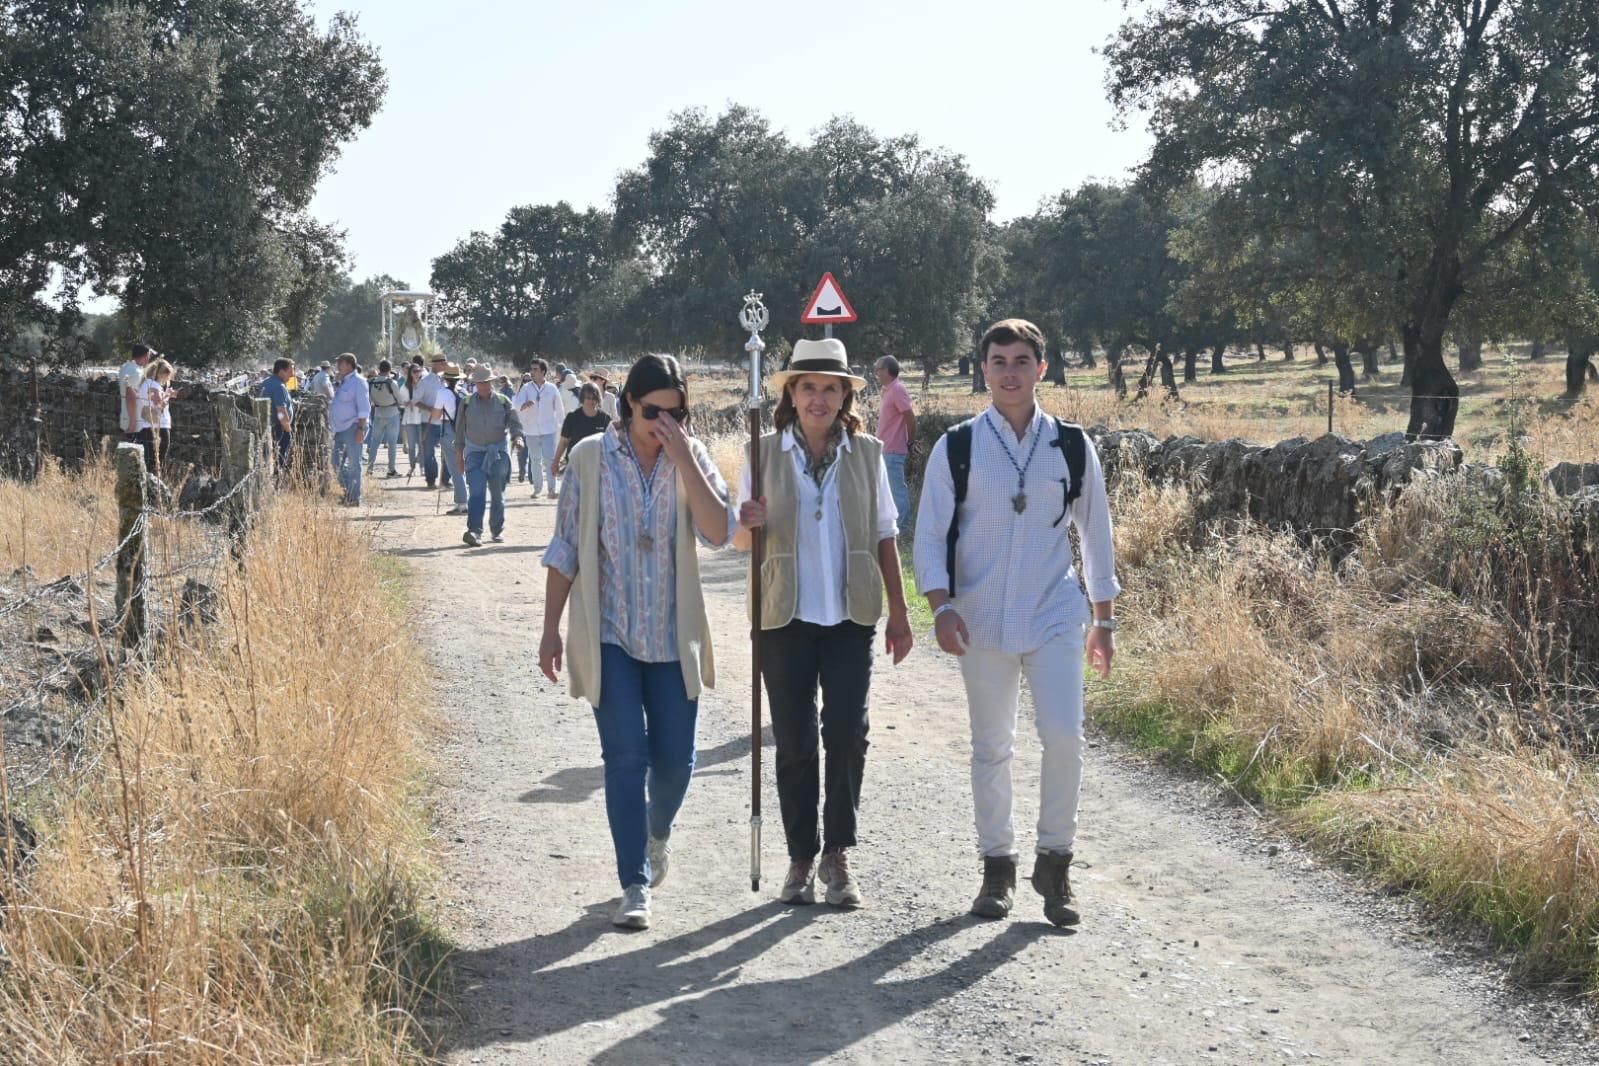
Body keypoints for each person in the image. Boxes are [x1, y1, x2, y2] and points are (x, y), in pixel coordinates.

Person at [912, 318, 1121, 928]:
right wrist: (941, 607)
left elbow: (1097, 533)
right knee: (992, 746)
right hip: (978, 618)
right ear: (983, 370)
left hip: (1054, 611)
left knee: (1064, 737)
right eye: (999, 361)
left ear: (1041, 368)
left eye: (1021, 361)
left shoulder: (1072, 446)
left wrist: (1104, 620)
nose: (1010, 372)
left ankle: (1055, 864)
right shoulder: (958, 446)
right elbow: (929, 534)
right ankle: (996, 867)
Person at [538, 354, 737, 931]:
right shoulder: (590, 458)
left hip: (674, 637)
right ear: (628, 403)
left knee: (676, 761)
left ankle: (657, 832)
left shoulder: (690, 456)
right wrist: (550, 629)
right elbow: (565, 548)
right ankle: (635, 883)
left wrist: (685, 458)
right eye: (654, 413)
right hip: (612, 635)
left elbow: (719, 532)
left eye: (677, 414)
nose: (664, 425)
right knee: (626, 758)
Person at [733, 338, 913, 909]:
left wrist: (901, 612)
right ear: (791, 394)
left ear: (844, 397)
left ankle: (837, 852)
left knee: (847, 733)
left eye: (829, 388)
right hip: (781, 617)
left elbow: (885, 534)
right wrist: (746, 522)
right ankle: (800, 855)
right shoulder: (762, 453)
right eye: (807, 387)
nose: (818, 398)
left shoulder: (867, 454)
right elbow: (741, 543)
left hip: (849, 616)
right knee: (794, 741)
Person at [455, 366, 526, 547]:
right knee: (476, 492)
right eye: (480, 383)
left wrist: (518, 438)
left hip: (498, 454)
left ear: (492, 382)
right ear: (475, 384)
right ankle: (474, 531)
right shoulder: (466, 403)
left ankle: (497, 530)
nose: (483, 386)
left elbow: (514, 423)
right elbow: (459, 431)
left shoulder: (503, 401)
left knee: (497, 494)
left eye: (486, 382)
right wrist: (459, 456)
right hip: (474, 453)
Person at [513, 359, 565, 498]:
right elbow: (517, 405)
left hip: (549, 430)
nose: (532, 372)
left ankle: (552, 489)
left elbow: (560, 410)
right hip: (531, 431)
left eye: (535, 369)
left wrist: (564, 429)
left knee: (550, 459)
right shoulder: (526, 388)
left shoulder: (552, 388)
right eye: (532, 369)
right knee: (535, 460)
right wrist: (524, 405)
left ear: (543, 371)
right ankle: (537, 489)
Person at [874, 356, 917, 523]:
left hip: (893, 450)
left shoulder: (897, 389)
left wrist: (910, 442)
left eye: (878, 369)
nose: (876, 373)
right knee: (888, 490)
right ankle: (893, 524)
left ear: (887, 371)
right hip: (885, 449)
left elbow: (910, 417)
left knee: (896, 490)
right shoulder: (888, 390)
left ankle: (903, 526)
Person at [328, 354, 371, 506]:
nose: (338, 366)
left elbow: (364, 407)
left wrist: (361, 428)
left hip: (353, 427)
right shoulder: (344, 381)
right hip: (340, 429)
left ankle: (354, 498)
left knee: (354, 463)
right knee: (335, 462)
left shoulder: (359, 382)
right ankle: (349, 492)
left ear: (349, 364)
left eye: (340, 363)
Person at [551, 383, 612, 475]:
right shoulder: (572, 417)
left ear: (598, 399)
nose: (591, 401)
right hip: (575, 465)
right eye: (588, 398)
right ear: (582, 398)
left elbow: (611, 444)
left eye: (594, 398)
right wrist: (555, 462)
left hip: (597, 467)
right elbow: (563, 442)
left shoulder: (605, 419)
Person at [433, 363, 469, 515]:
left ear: (445, 379)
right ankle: (463, 501)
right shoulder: (464, 392)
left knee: (455, 468)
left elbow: (435, 416)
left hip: (449, 430)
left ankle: (462, 503)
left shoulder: (442, 393)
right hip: (465, 432)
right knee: (463, 466)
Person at [366, 359, 406, 478]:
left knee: (375, 442)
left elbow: (369, 399)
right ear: (389, 369)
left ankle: (369, 468)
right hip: (392, 414)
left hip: (378, 413)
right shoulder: (392, 383)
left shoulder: (371, 382)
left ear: (379, 369)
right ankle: (391, 469)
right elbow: (400, 400)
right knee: (392, 444)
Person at [413, 354, 448, 488]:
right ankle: (431, 479)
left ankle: (445, 479)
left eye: (445, 363)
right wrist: (430, 409)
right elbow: (416, 401)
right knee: (428, 453)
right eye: (442, 363)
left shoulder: (448, 380)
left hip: (446, 422)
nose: (445, 365)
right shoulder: (424, 381)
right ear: (435, 364)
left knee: (448, 452)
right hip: (429, 422)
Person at [135, 358, 175, 474]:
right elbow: (160, 406)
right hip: (158, 428)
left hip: (145, 426)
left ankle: (148, 483)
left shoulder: (145, 384)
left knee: (148, 462)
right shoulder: (154, 386)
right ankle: (153, 484)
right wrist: (168, 395)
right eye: (167, 376)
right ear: (160, 374)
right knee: (156, 464)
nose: (167, 379)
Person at [262, 358, 296, 472]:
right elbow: (281, 412)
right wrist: (288, 430)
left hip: (269, 427)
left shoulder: (266, 382)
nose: (292, 374)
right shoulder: (279, 387)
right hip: (279, 429)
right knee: (280, 459)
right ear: (281, 371)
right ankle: (279, 477)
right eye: (290, 371)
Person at [118, 342, 154, 444]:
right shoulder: (135, 372)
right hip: (136, 423)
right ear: (145, 355)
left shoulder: (127, 367)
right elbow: (131, 396)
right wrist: (133, 423)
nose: (149, 358)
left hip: (129, 418)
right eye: (149, 355)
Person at [400, 363, 427, 474]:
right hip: (410, 419)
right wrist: (408, 403)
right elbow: (401, 403)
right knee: (411, 446)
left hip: (422, 419)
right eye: (414, 371)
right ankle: (412, 467)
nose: (417, 373)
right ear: (410, 373)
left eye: (419, 371)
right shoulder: (405, 387)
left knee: (422, 445)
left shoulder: (424, 385)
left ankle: (422, 467)